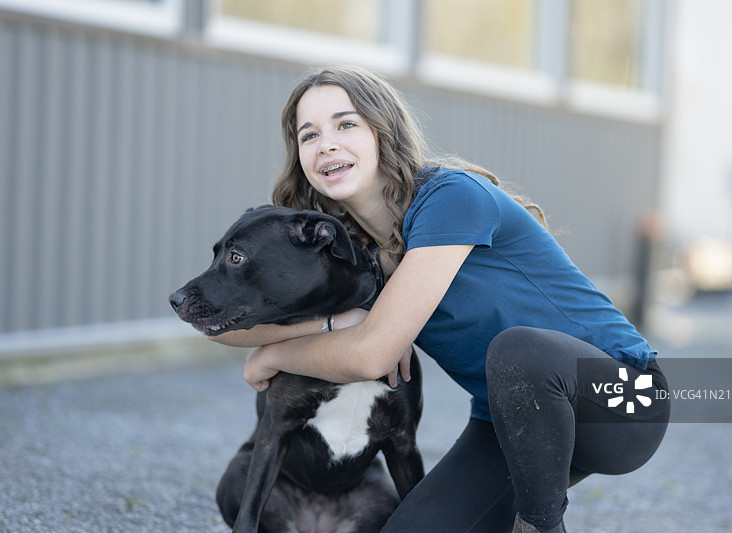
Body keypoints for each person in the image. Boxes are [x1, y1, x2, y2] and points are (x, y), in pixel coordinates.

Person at [213, 65, 670, 533]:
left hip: (621, 401)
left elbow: (373, 354)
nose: (326, 143)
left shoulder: (450, 197)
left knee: (519, 349)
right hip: (509, 424)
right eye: (308, 135)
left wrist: (275, 354)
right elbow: (223, 318)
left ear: (383, 132)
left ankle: (539, 525)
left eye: (346, 124)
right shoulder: (353, 250)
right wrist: (332, 323)